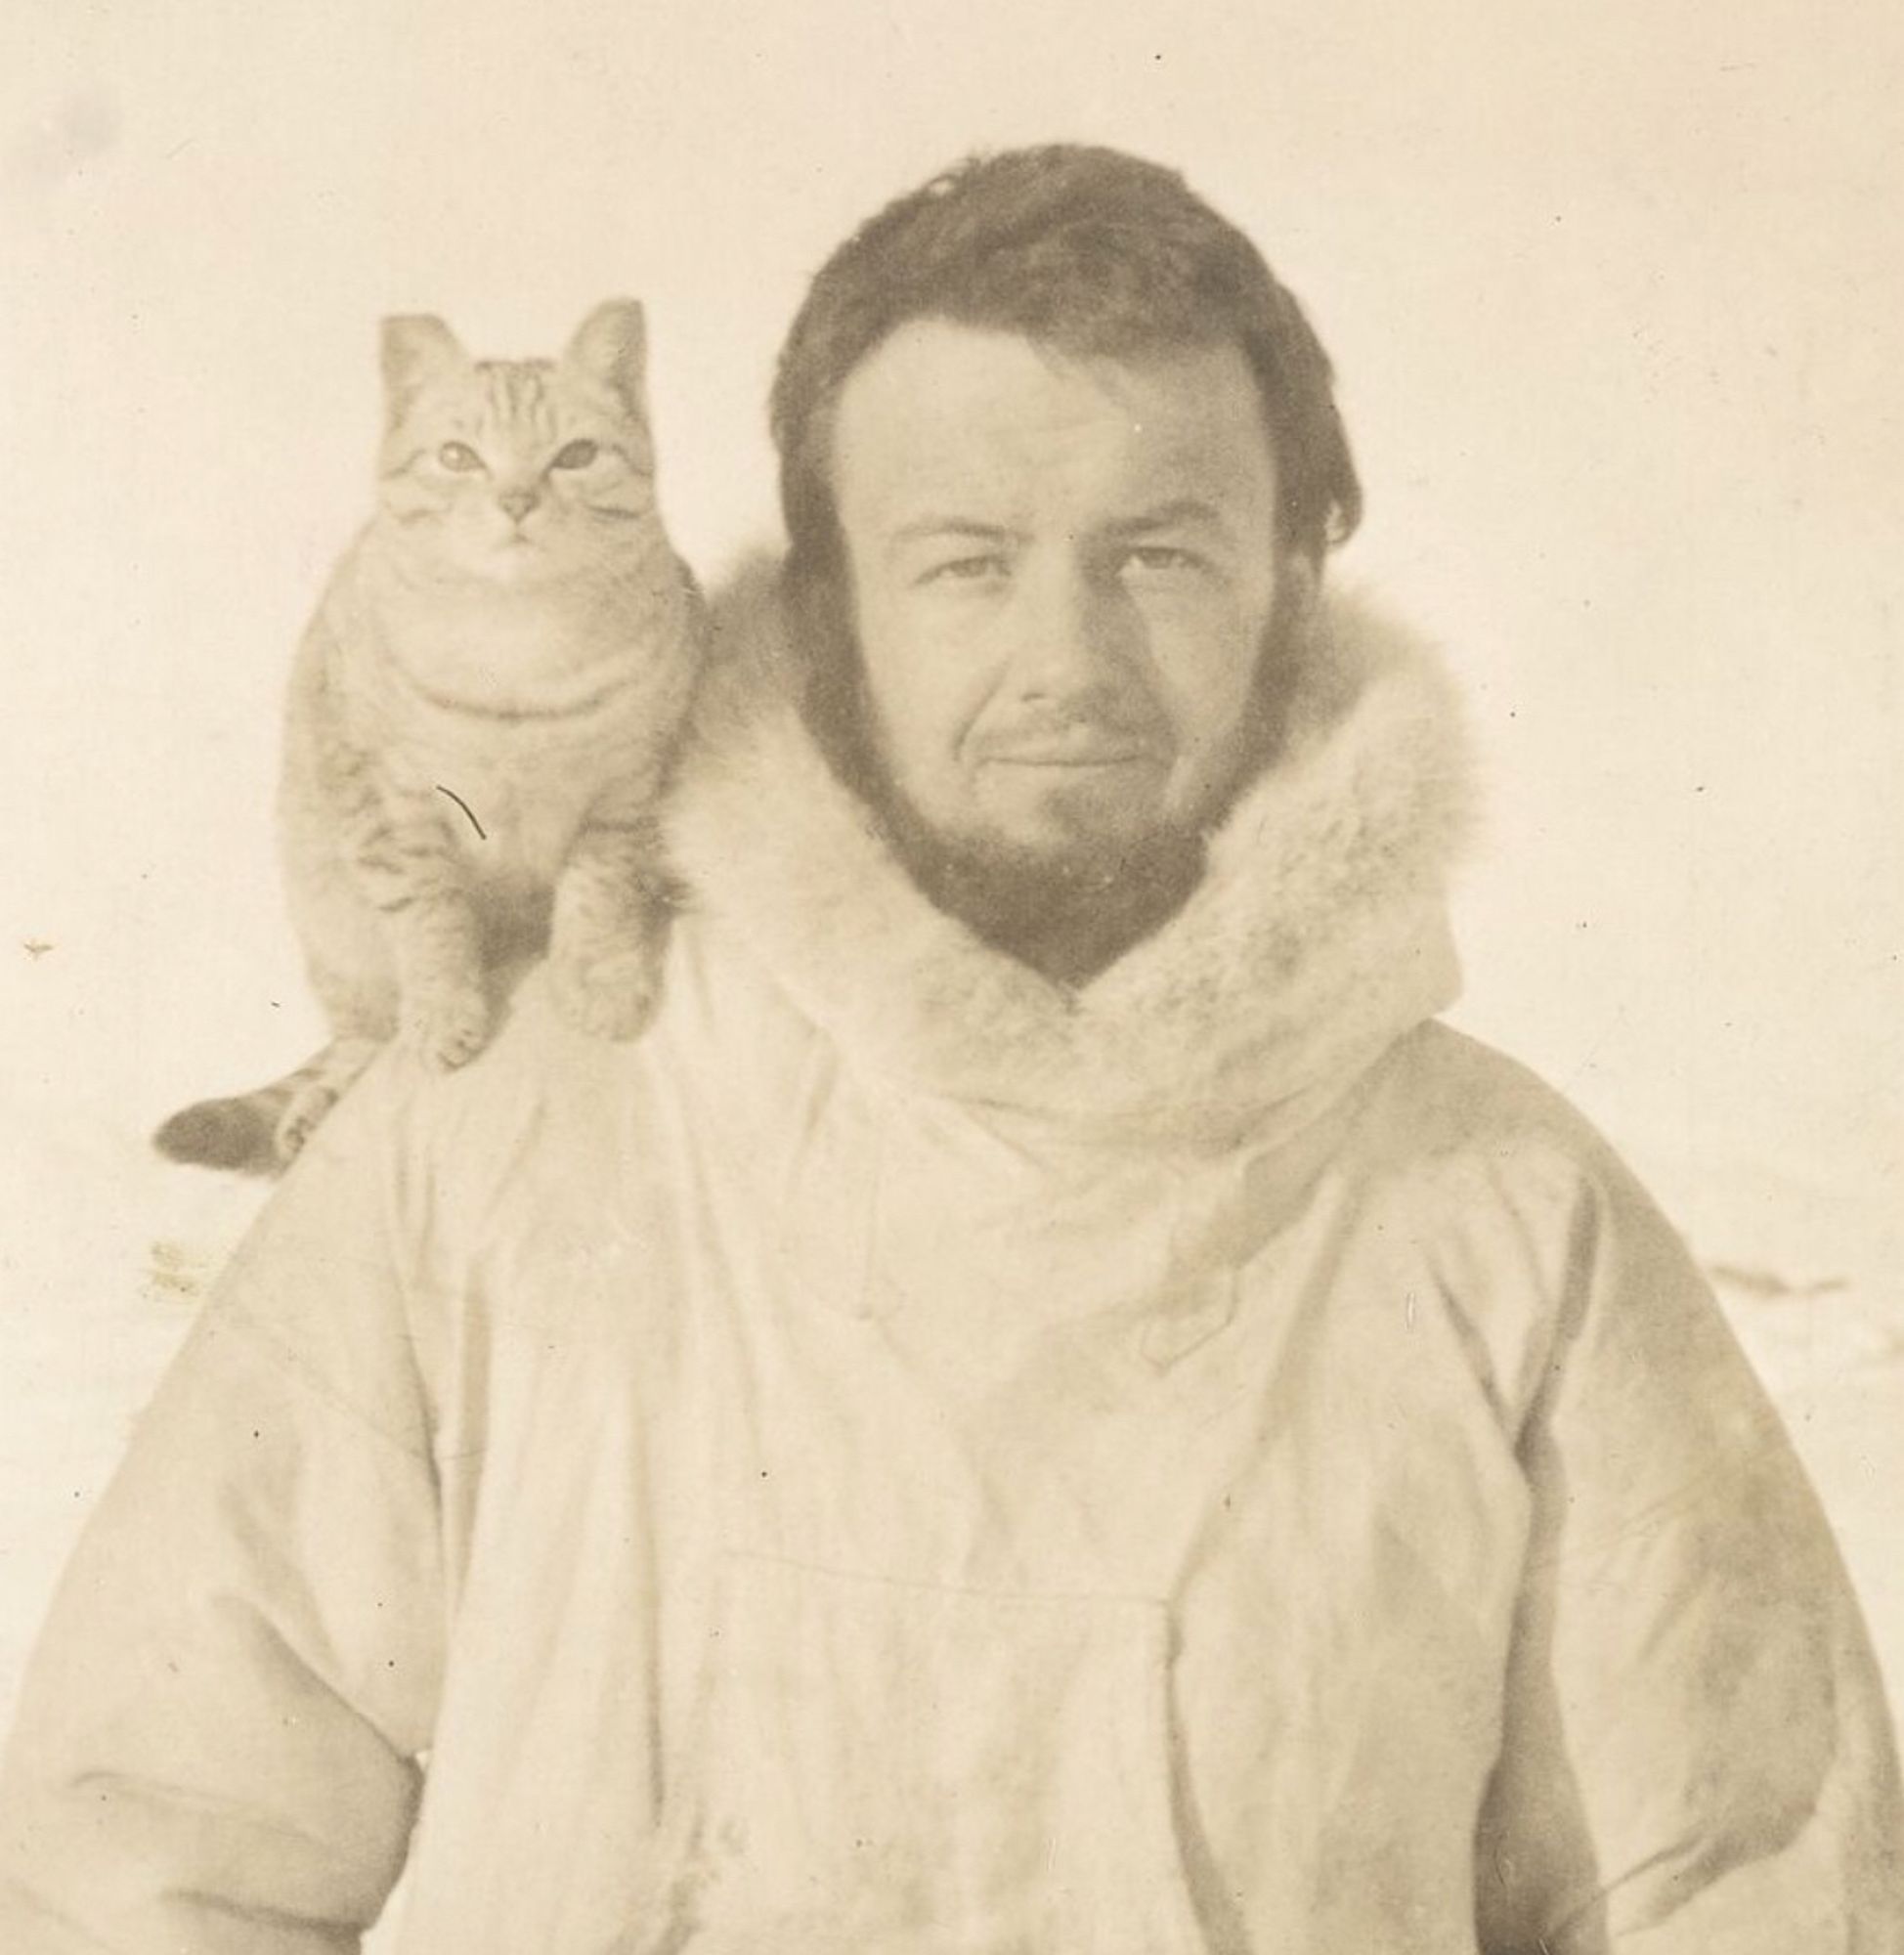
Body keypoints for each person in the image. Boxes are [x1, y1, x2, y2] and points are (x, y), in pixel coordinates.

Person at [1, 144, 1899, 1953]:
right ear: (826, 604)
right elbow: (124, 1861)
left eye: (1155, 554)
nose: (1060, 660)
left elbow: (1758, 1889)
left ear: (1292, 578)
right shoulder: (484, 1160)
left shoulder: (1506, 1225)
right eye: (963, 562)